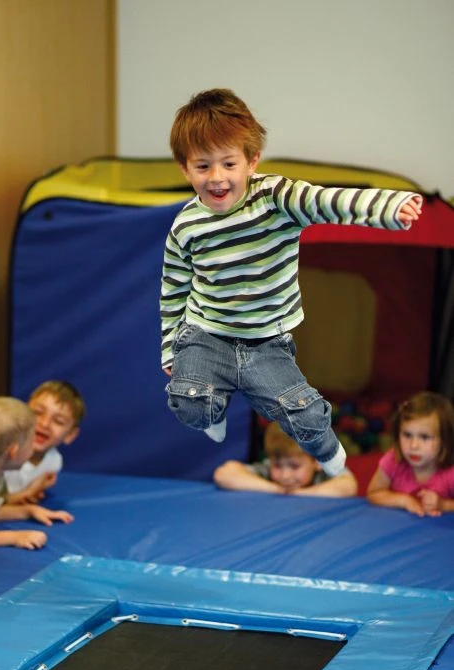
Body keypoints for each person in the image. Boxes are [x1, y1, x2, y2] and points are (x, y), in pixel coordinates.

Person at [161, 88, 422, 478]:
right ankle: (211, 412)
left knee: (303, 414)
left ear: (252, 161)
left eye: (229, 164)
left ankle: (327, 449)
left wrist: (389, 207)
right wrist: (171, 348)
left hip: (266, 340)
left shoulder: (277, 198)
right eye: (202, 166)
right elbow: (173, 291)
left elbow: (328, 202)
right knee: (188, 404)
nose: (216, 178)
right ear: (185, 169)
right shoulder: (186, 225)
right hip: (207, 334)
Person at [0, 397, 73, 550]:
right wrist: (16, 537)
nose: (33, 448)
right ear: (14, 451)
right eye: (31, 442)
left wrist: (30, 510)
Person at [367, 392, 454, 516]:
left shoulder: (450, 471)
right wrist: (404, 501)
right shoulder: (393, 459)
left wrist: (443, 504)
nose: (413, 446)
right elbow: (373, 493)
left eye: (424, 437)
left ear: (445, 440)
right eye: (407, 435)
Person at [214, 422, 357, 497]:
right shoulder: (268, 470)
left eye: (294, 466)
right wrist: (276, 489)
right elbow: (224, 474)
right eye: (277, 465)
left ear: (317, 462)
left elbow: (349, 486)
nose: (285, 475)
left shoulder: (325, 471)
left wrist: (298, 494)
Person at [4, 380, 85, 500]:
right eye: (38, 412)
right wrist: (26, 498)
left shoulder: (54, 462)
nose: (44, 423)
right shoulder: (2, 453)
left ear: (70, 435)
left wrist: (33, 492)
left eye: (58, 421)